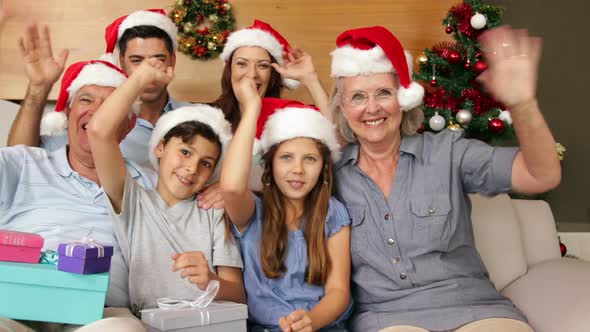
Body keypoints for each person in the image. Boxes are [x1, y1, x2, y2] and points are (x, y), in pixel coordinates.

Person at [328, 25, 561, 332]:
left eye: (384, 92)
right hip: (387, 319)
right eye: (357, 97)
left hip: (475, 309)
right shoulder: (331, 175)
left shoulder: (448, 152)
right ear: (343, 108)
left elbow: (541, 175)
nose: (372, 108)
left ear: (404, 99)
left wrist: (522, 103)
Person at [0, 59, 150, 331]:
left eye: (110, 104)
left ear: (128, 126)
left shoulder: (147, 182)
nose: (96, 113)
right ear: (68, 112)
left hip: (99, 314)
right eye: (86, 100)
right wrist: (37, 89)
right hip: (12, 305)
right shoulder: (23, 163)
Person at [87, 58, 244, 315]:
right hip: (151, 322)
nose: (192, 168)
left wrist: (211, 282)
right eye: (184, 151)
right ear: (160, 147)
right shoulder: (132, 201)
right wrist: (138, 79)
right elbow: (99, 131)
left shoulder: (213, 212)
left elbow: (239, 296)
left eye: (205, 163)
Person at [220, 88, 352, 331]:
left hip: (321, 326)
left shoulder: (332, 212)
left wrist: (312, 321)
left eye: (310, 159)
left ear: (323, 167)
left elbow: (338, 291)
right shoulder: (252, 211)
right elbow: (230, 188)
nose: (298, 169)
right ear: (269, 164)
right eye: (286, 158)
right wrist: (251, 110)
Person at [7, 9, 189, 165]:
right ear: (122, 62)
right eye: (136, 60)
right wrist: (38, 88)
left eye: (158, 59)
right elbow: (19, 162)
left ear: (172, 60)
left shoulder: (197, 118)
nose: (147, 71)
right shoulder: (94, 116)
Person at [199, 19, 331, 208]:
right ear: (229, 70)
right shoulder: (208, 118)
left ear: (273, 75)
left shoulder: (287, 115)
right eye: (242, 64)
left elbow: (335, 136)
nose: (252, 74)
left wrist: (311, 80)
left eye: (262, 65)